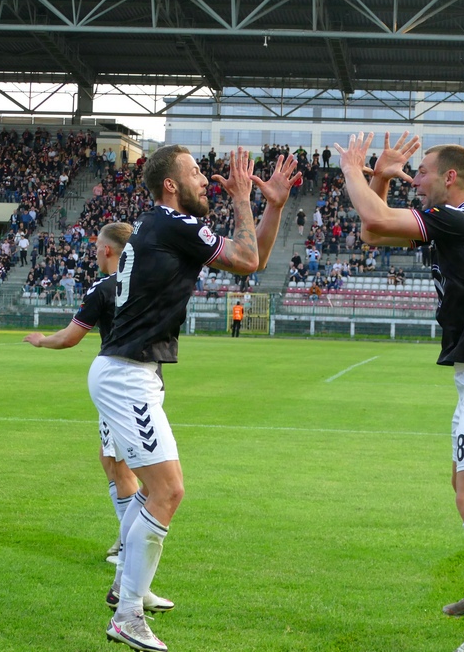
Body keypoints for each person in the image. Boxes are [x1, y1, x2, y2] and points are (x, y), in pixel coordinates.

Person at [91, 146, 296, 652]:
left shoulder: (165, 224)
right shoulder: (171, 221)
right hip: (125, 374)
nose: (207, 180)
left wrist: (272, 205)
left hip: (134, 371)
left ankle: (126, 590)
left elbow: (255, 259)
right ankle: (128, 615)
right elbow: (247, 258)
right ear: (169, 185)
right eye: (196, 173)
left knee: (151, 491)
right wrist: (246, 198)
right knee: (168, 491)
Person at [335, 132, 464, 652]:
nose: (412, 180)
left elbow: (375, 220)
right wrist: (378, 175)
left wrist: (354, 168)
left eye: (420, 172)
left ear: (449, 177)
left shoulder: (461, 218)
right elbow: (375, 236)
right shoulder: (455, 221)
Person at [23, 223, 152, 569]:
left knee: (118, 464)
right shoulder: (147, 283)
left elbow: (69, 337)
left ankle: (129, 545)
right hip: (147, 379)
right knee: (111, 459)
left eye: (97, 247)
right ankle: (128, 539)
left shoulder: (106, 287)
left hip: (120, 385)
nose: (94, 252)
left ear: (108, 250)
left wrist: (41, 340)